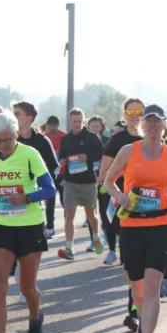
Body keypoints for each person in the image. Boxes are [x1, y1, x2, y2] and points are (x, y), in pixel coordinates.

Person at [104, 104, 167, 333]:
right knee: (137, 287)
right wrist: (119, 196)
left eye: (157, 122)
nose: (152, 126)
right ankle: (144, 324)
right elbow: (107, 180)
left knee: (152, 287)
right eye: (148, 122)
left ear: (164, 126)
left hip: (161, 225)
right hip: (131, 227)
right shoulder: (129, 151)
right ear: (142, 125)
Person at [0, 112, 56, 333]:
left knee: (27, 287)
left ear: (16, 135)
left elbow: (50, 188)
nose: (4, 145)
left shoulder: (30, 154)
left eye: (8, 140)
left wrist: (27, 197)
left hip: (30, 225)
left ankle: (35, 317)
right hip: (2, 225)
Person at [99, 98, 146, 272]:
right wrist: (116, 191)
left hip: (144, 195)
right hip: (120, 194)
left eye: (139, 113)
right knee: (119, 229)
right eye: (130, 113)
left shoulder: (149, 137)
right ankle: (121, 258)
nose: (135, 116)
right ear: (124, 115)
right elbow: (103, 173)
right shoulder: (117, 140)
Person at [56, 108, 104, 260]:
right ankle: (69, 248)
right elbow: (62, 154)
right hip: (71, 182)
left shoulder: (91, 137)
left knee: (91, 215)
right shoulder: (66, 138)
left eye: (79, 121)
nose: (76, 124)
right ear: (69, 121)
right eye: (74, 121)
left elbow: (101, 153)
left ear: (83, 121)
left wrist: (87, 157)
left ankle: (96, 238)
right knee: (68, 215)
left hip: (88, 181)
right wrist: (62, 160)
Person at [13, 102, 59, 238]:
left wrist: (40, 186)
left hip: (32, 201)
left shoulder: (42, 141)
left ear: (30, 117)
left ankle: (50, 225)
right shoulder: (8, 140)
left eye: (17, 114)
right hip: (9, 201)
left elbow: (55, 167)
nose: (13, 117)